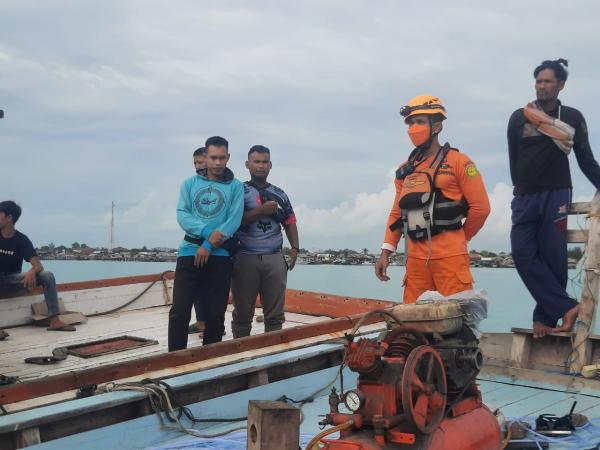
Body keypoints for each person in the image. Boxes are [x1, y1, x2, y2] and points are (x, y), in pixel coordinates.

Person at [508, 59, 600, 338]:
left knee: (553, 258)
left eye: (547, 81)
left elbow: (585, 159)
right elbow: (514, 159)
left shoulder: (572, 117)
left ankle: (544, 320)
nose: (542, 86)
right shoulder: (519, 117)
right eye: (538, 81)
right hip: (525, 196)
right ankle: (567, 307)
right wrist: (519, 188)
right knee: (522, 253)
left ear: (561, 85)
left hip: (557, 193)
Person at [375, 95, 490, 303]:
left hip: (451, 258)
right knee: (414, 320)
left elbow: (481, 209)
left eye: (419, 122)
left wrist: (462, 238)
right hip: (416, 261)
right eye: (410, 123)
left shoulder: (460, 163)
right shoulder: (404, 171)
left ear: (436, 126)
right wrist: (385, 252)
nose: (413, 128)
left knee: (458, 318)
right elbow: (396, 214)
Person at [168, 136, 244, 351]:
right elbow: (182, 214)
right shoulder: (189, 184)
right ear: (206, 157)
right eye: (213, 158)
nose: (218, 163)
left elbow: (234, 220)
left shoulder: (236, 187)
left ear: (228, 157)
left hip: (219, 256)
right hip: (189, 252)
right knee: (180, 310)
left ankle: (211, 358)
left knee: (215, 312)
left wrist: (209, 246)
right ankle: (174, 357)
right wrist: (207, 234)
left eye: (222, 158)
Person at [231, 145, 299, 338]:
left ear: (270, 165)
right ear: (247, 164)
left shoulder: (280, 193)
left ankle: (273, 355)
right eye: (256, 162)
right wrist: (260, 212)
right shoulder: (239, 192)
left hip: (274, 258)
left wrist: (295, 248)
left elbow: (290, 221)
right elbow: (232, 223)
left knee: (275, 316)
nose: (261, 166)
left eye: (264, 162)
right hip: (245, 257)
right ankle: (241, 355)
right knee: (243, 315)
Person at [0, 201, 75, 335]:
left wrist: (32, 271)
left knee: (47, 275)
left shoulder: (22, 240)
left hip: (13, 279)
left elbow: (38, 265)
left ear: (9, 217)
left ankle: (55, 320)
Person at [188, 146, 207, 335]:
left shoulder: (228, 186)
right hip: (196, 243)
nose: (197, 166)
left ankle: (211, 325)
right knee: (197, 287)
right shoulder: (192, 185)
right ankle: (202, 322)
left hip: (218, 245)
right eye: (195, 163)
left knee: (211, 288)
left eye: (200, 162)